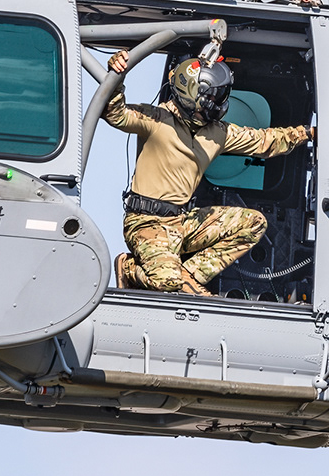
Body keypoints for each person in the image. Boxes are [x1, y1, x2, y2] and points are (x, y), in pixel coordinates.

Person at [102, 46, 313, 295]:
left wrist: (308, 134)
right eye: (213, 97)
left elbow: (265, 141)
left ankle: (189, 276)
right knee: (167, 284)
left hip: (181, 222)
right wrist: (117, 75)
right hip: (145, 222)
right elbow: (115, 114)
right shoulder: (156, 119)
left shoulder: (218, 132)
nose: (218, 103)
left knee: (254, 223)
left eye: (221, 96)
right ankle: (129, 268)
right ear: (193, 94)